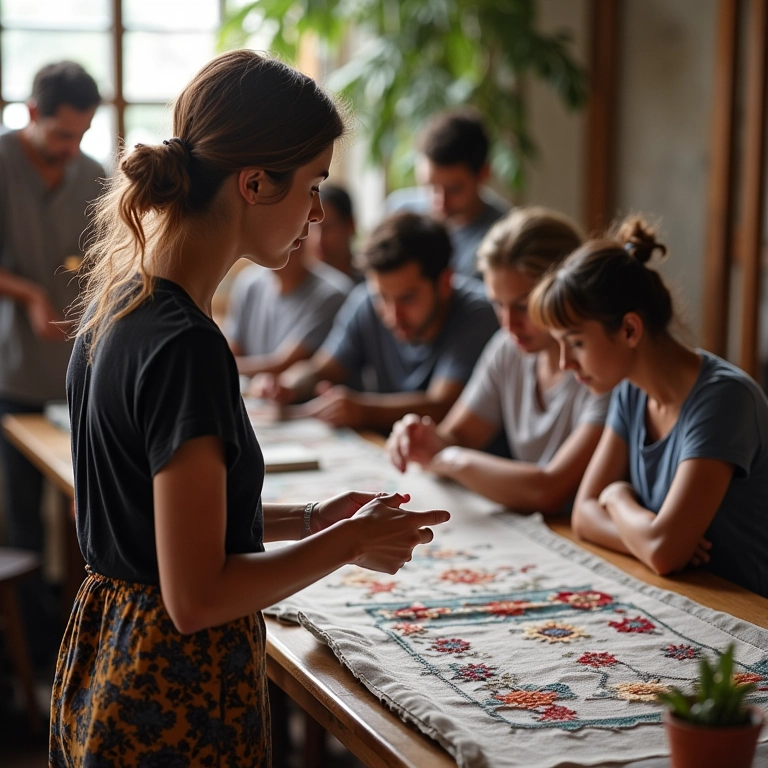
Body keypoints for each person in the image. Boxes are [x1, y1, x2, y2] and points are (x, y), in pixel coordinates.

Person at [50, 50, 449, 766]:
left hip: (111, 654)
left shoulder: (121, 306)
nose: (320, 212)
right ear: (256, 183)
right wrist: (351, 544)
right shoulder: (187, 348)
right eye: (315, 183)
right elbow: (196, 595)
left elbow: (155, 524)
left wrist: (312, 519)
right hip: (172, 686)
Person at [527, 215, 768, 597]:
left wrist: (617, 498)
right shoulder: (630, 391)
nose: (564, 363)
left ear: (629, 330)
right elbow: (584, 517)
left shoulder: (724, 399)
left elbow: (663, 552)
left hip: (744, 614)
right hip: (683, 593)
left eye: (575, 343)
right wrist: (647, 535)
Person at [386, 207, 610, 513]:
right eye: (497, 304)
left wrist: (453, 460)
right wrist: (420, 437)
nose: (508, 324)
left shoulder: (605, 365)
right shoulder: (509, 347)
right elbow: (456, 436)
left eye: (522, 306)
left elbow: (549, 490)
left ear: (567, 290)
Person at [0, 60, 102, 667]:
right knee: (21, 518)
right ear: (33, 115)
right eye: (63, 135)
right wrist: (33, 295)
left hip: (76, 373)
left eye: (82, 136)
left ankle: (80, 637)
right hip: (13, 372)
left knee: (87, 506)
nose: (72, 148)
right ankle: (32, 655)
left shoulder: (91, 175)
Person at [254, 210, 499, 432]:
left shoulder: (479, 313)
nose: (393, 314)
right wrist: (286, 386)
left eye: (408, 298)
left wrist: (362, 411)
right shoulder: (366, 301)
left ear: (445, 283)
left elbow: (443, 405)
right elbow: (321, 369)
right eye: (383, 297)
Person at [386, 108, 508, 279]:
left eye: (453, 189)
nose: (440, 201)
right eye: (430, 186)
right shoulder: (400, 213)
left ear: (483, 174)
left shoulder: (505, 235)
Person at [224, 238, 352, 378]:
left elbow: (283, 364)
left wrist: (222, 367)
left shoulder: (332, 294)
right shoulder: (248, 283)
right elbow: (232, 348)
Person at [306, 181, 361, 282]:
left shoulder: (374, 284)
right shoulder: (299, 284)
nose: (318, 238)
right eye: (312, 227)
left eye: (328, 227)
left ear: (350, 225)